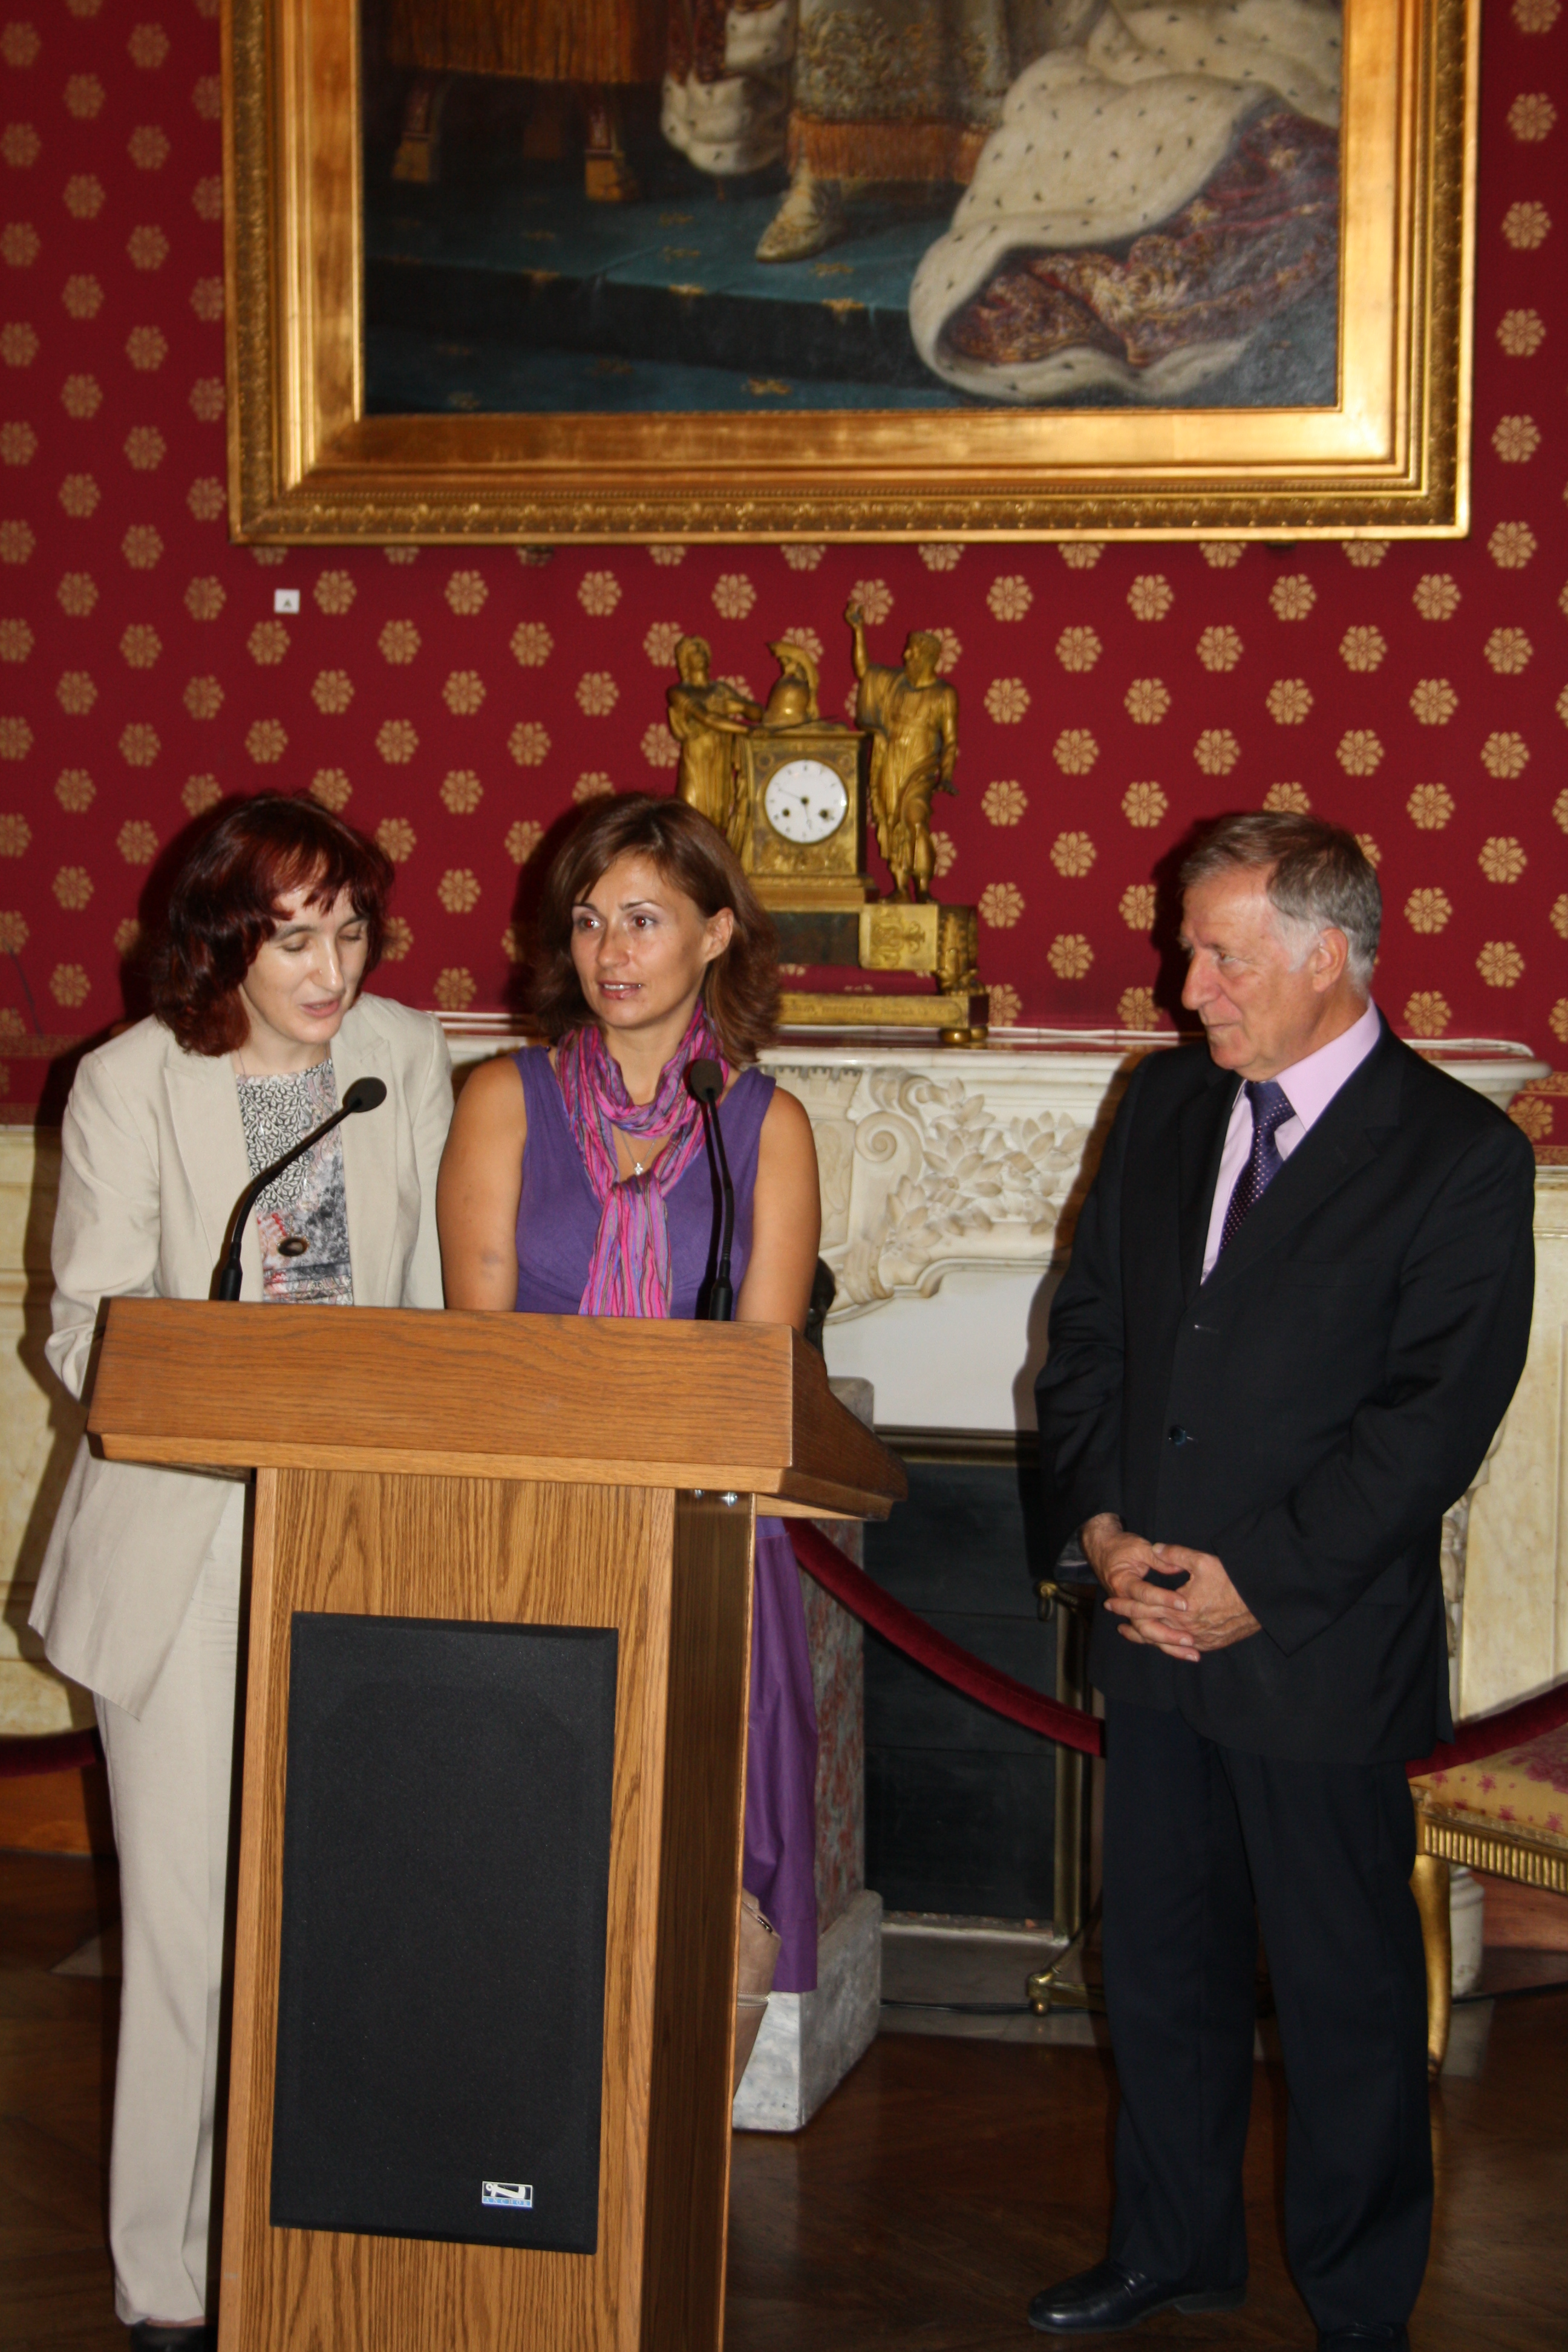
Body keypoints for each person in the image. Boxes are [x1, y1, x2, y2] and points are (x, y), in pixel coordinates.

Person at [1030, 814, 1535, 2351]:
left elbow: (1433, 1421)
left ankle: (1361, 2304)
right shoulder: (1165, 1104)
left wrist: (1262, 1583)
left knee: (1344, 2000)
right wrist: (1102, 1535)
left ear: (1328, 958)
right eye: (1190, 950)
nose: (1187, 987)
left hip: (1317, 1648)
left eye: (1220, 956)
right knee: (1160, 1972)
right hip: (1148, 1624)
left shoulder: (1458, 1154)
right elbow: (1090, 1339)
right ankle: (1171, 2249)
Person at [30, 793, 453, 2351]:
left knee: (345, 1921)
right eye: (292, 942)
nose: (332, 972)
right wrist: (232, 1401)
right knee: (187, 1932)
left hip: (360, 1536)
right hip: (191, 1540)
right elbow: (83, 1325)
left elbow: (429, 1299)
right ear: (221, 945)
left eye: (350, 933)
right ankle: (169, 2284)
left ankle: (318, 2244)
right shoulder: (130, 1082)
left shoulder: (403, 1057)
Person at [436, 792, 824, 1991]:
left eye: (645, 920)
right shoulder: (503, 1100)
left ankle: (682, 2108)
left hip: (708, 1541)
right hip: (533, 1531)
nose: (610, 951)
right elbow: (480, 1360)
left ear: (717, 934)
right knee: (529, 1874)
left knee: (704, 1891)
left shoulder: (767, 1126)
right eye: (590, 920)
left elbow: (762, 1374)